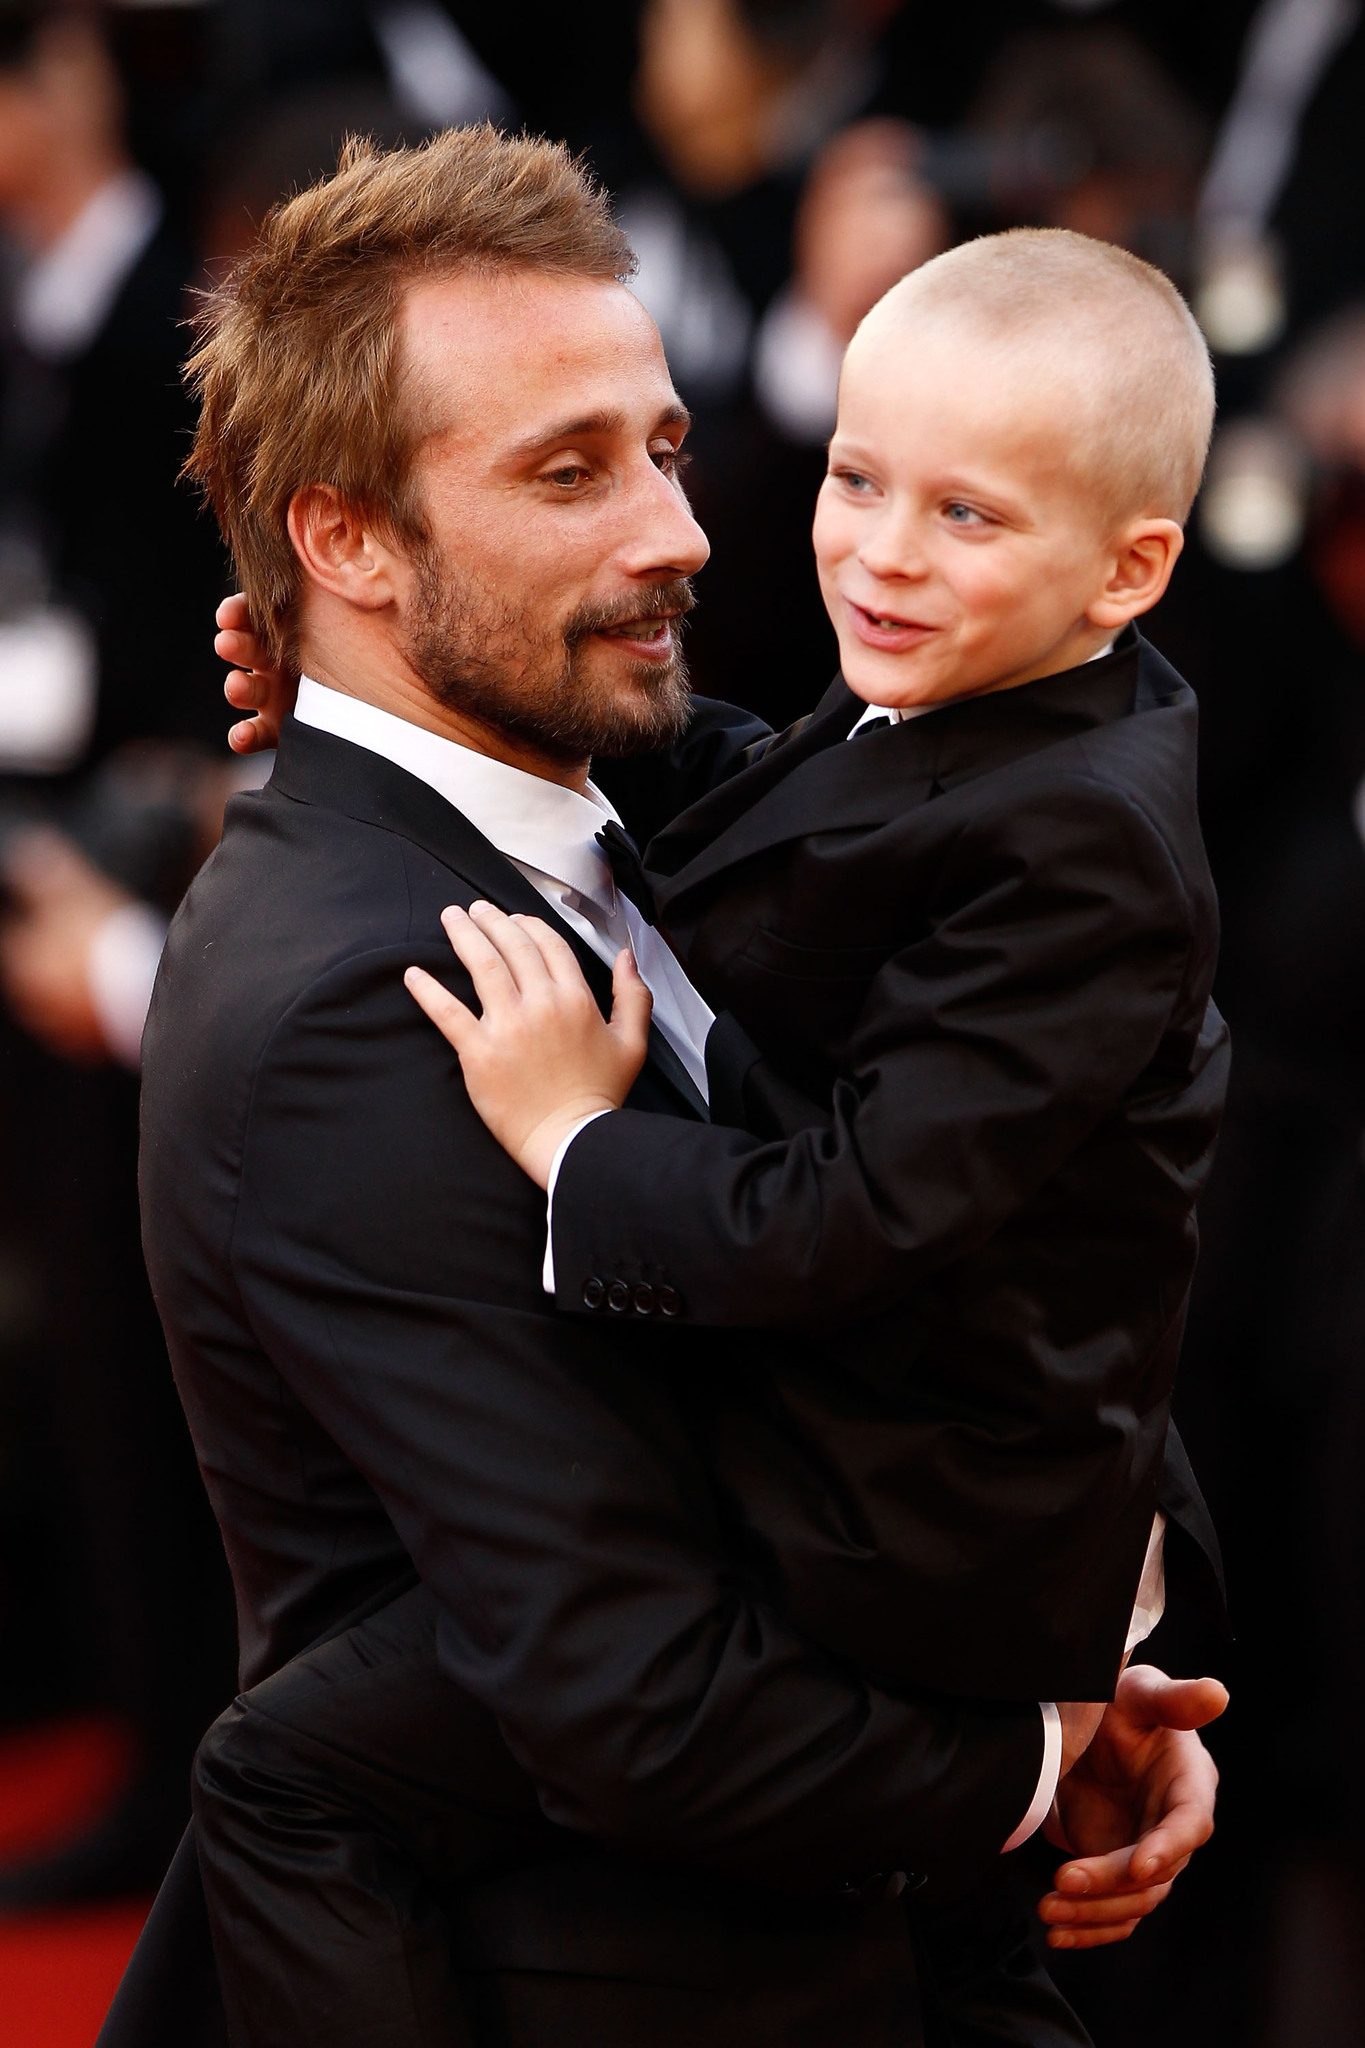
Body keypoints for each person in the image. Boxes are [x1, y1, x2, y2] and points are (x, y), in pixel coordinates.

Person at [128, 127, 1227, 2046]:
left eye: (663, 447)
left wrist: (1089, 1650)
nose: (678, 534)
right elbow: (638, 1693)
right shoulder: (355, 1002)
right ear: (349, 541)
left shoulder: (607, 781)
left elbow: (966, 1260)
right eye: (567, 473)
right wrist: (1027, 1757)